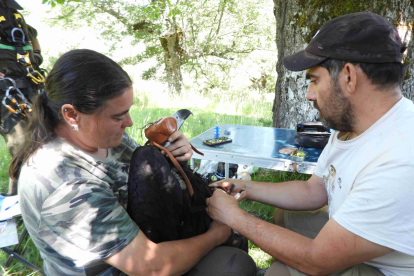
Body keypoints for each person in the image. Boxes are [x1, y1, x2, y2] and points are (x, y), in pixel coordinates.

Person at [11, 49, 256, 275]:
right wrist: (217, 234)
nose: (129, 122)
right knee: (233, 265)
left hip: (151, 237)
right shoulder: (65, 184)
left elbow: (139, 178)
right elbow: (150, 267)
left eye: (128, 111)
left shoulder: (99, 134)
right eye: (118, 116)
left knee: (234, 249)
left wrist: (169, 154)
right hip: (125, 269)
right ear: (72, 114)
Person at [206, 12, 414, 276]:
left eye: (315, 80)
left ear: (348, 76)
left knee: (278, 273)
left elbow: (318, 261)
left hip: (389, 270)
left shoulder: (401, 157)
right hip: (372, 245)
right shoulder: (353, 126)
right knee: (284, 217)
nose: (309, 94)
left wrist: (234, 217)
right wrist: (245, 186)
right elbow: (315, 190)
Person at [0, 0, 44, 195]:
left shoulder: (11, 9)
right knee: (21, 144)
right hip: (6, 91)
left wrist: (37, 55)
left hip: (29, 86)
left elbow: (32, 34)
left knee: (39, 139)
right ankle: (17, 200)